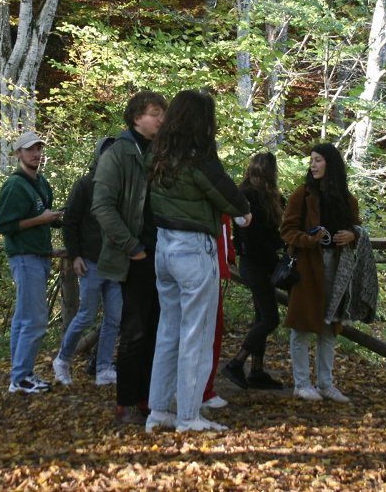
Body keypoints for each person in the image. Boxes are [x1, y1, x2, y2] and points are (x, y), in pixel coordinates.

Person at [144, 90, 251, 433]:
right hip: (193, 251)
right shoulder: (199, 157)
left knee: (168, 333)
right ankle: (189, 415)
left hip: (164, 248)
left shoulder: (158, 153)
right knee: (197, 335)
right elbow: (229, 197)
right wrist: (245, 212)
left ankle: (159, 410)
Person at [91, 91, 168, 424]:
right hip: (134, 257)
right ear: (136, 117)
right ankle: (126, 402)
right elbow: (102, 206)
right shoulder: (118, 153)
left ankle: (149, 397)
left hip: (162, 255)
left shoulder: (161, 154)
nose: (161, 120)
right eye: (155, 114)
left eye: (163, 114)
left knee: (156, 328)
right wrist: (131, 246)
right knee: (135, 330)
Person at [280, 143, 364, 403]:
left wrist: (351, 234)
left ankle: (326, 383)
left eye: (318, 160)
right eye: (312, 160)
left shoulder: (347, 199)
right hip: (307, 268)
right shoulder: (302, 195)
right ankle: (302, 383)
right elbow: (286, 230)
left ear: (331, 163)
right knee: (302, 326)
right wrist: (309, 239)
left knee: (330, 327)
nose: (313, 165)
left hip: (337, 269)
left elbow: (357, 228)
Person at [0, 131, 63, 393]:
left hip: (39, 256)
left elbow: (43, 214)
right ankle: (21, 377)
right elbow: (4, 225)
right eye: (29, 149)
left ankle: (19, 375)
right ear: (18, 154)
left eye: (38, 149)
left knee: (23, 319)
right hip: (24, 258)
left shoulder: (41, 182)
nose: (36, 154)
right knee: (34, 320)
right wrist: (42, 220)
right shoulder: (15, 185)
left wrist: (59, 217)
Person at [52, 137, 122, 387]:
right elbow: (70, 222)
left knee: (115, 317)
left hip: (115, 263)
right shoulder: (84, 185)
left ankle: (103, 367)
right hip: (91, 261)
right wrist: (75, 255)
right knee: (86, 315)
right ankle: (62, 359)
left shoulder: (120, 186)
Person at [223, 152, 286, 390]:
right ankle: (236, 363)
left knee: (262, 317)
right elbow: (251, 236)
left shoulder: (271, 197)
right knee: (270, 318)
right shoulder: (248, 196)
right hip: (254, 263)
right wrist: (277, 246)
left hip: (261, 263)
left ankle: (257, 370)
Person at [201, 214, 235, 409]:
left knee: (213, 328)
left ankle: (205, 388)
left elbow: (225, 223)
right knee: (205, 330)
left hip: (212, 263)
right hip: (201, 262)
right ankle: (200, 392)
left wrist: (229, 254)